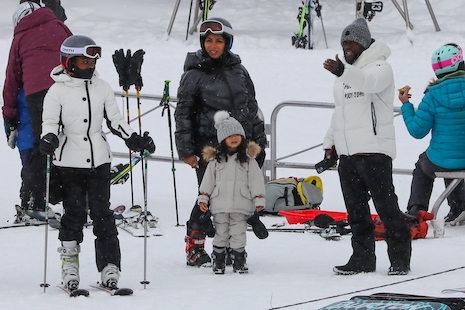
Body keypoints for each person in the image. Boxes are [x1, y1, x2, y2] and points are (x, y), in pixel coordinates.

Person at [40, 35, 155, 291]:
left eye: (92, 60)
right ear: (69, 62)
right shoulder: (56, 91)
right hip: (69, 163)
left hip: (99, 161)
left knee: (103, 215)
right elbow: (49, 123)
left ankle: (109, 266)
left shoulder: (101, 87)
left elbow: (114, 120)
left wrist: (133, 139)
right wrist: (48, 138)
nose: (90, 65)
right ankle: (69, 264)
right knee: (74, 214)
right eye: (83, 60)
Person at [174, 17, 267, 267]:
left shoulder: (239, 70)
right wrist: (186, 150)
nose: (213, 46)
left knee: (236, 194)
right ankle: (195, 242)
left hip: (240, 146)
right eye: (208, 41)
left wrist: (259, 141)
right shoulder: (194, 74)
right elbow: (183, 113)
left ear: (228, 43)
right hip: (210, 148)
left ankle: (228, 245)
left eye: (218, 41)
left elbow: (250, 107)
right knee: (209, 195)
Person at [322, 18, 411, 275]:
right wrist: (331, 143)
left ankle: (400, 260)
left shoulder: (382, 67)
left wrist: (342, 71)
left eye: (352, 42)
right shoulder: (344, 74)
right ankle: (362, 259)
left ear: (364, 43)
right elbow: (340, 113)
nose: (348, 47)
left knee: (387, 208)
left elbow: (369, 83)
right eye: (344, 43)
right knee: (356, 212)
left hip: (374, 152)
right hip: (349, 154)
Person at [2, 2, 72, 221]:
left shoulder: (21, 36)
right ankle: (81, 197)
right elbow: (76, 49)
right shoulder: (59, 26)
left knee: (41, 145)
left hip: (38, 92)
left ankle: (34, 201)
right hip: (67, 87)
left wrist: (9, 115)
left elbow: (11, 80)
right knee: (73, 139)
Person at [399, 43, 465, 223]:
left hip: (440, 161)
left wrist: (406, 106)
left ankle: (417, 209)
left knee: (425, 165)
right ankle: (459, 206)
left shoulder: (432, 97)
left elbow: (417, 130)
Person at [197, 111, 265, 274]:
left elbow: (255, 181)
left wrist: (259, 200)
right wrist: (203, 198)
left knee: (238, 232)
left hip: (241, 204)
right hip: (219, 203)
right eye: (229, 136)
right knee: (221, 232)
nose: (234, 138)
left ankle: (239, 259)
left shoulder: (248, 160)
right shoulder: (216, 160)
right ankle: (218, 259)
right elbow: (208, 181)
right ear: (222, 139)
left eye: (237, 135)